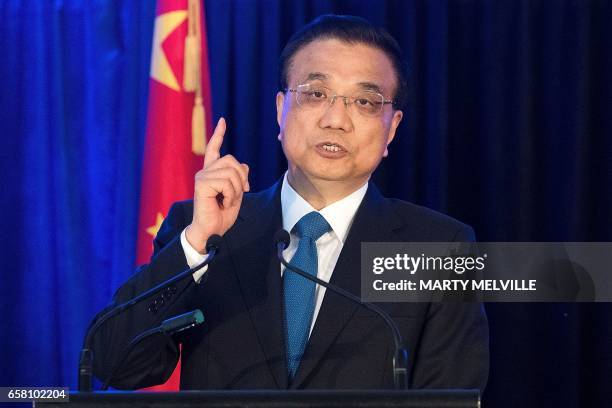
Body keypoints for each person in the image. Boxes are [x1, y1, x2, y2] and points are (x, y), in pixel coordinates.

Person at [92, 14, 488, 391]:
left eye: (365, 102)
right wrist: (196, 244)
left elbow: (449, 395)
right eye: (316, 94)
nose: (336, 119)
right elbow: (114, 364)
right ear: (281, 109)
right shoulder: (203, 228)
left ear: (392, 128)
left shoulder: (438, 249)